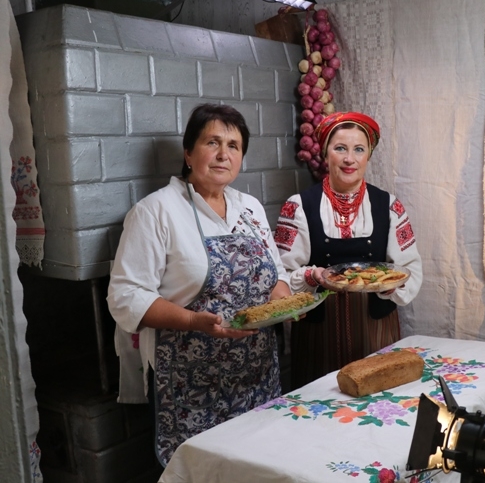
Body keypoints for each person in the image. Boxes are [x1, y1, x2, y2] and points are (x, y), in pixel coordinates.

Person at [107, 104, 292, 465]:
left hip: (256, 374)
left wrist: (286, 303)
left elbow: (276, 274)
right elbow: (126, 296)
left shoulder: (250, 208)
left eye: (234, 146)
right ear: (189, 153)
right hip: (189, 385)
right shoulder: (156, 211)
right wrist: (193, 321)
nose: (224, 154)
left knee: (261, 465)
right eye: (212, 142)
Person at [275, 111, 422, 389]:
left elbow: (410, 267)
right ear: (325, 153)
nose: (349, 159)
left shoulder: (390, 206)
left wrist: (391, 285)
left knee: (379, 403)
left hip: (376, 331)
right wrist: (311, 277)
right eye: (340, 148)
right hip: (318, 334)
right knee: (318, 404)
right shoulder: (298, 206)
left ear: (368, 155)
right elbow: (280, 273)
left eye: (359, 149)